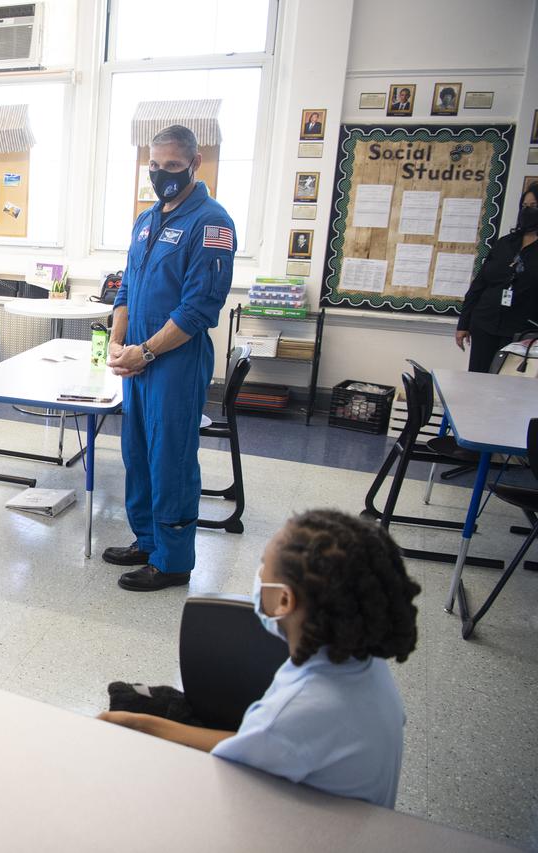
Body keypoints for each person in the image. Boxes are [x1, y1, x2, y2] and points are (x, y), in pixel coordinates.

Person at [98, 510, 419, 809]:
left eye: (263, 564)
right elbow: (260, 743)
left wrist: (138, 723)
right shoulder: (361, 658)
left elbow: (233, 759)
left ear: (283, 600)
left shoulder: (300, 707)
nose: (259, 574)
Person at [103, 124, 236, 592]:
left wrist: (146, 352)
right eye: (154, 167)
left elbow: (200, 307)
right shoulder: (145, 220)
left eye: (173, 167)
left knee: (171, 459)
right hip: (136, 358)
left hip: (174, 362)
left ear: (196, 164)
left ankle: (174, 561)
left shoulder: (212, 223)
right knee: (136, 452)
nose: (162, 176)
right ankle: (148, 540)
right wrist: (118, 344)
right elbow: (126, 287)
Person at [455, 186, 538, 371]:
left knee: (508, 385)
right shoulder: (505, 243)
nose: (528, 211)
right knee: (478, 378)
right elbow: (479, 285)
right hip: (485, 321)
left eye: (534, 206)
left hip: (521, 331)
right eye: (524, 206)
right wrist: (464, 324)